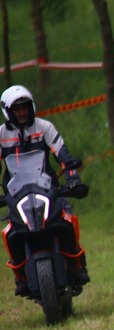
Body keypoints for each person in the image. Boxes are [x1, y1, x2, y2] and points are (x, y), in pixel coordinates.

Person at [0, 85, 88, 296]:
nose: (22, 112)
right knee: (11, 231)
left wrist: (73, 179)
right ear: (7, 111)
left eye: (25, 107)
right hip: (16, 194)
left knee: (65, 220)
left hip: (48, 188)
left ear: (32, 107)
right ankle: (20, 274)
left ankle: (76, 263)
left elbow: (63, 155)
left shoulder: (44, 127)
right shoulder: (1, 134)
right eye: (17, 108)